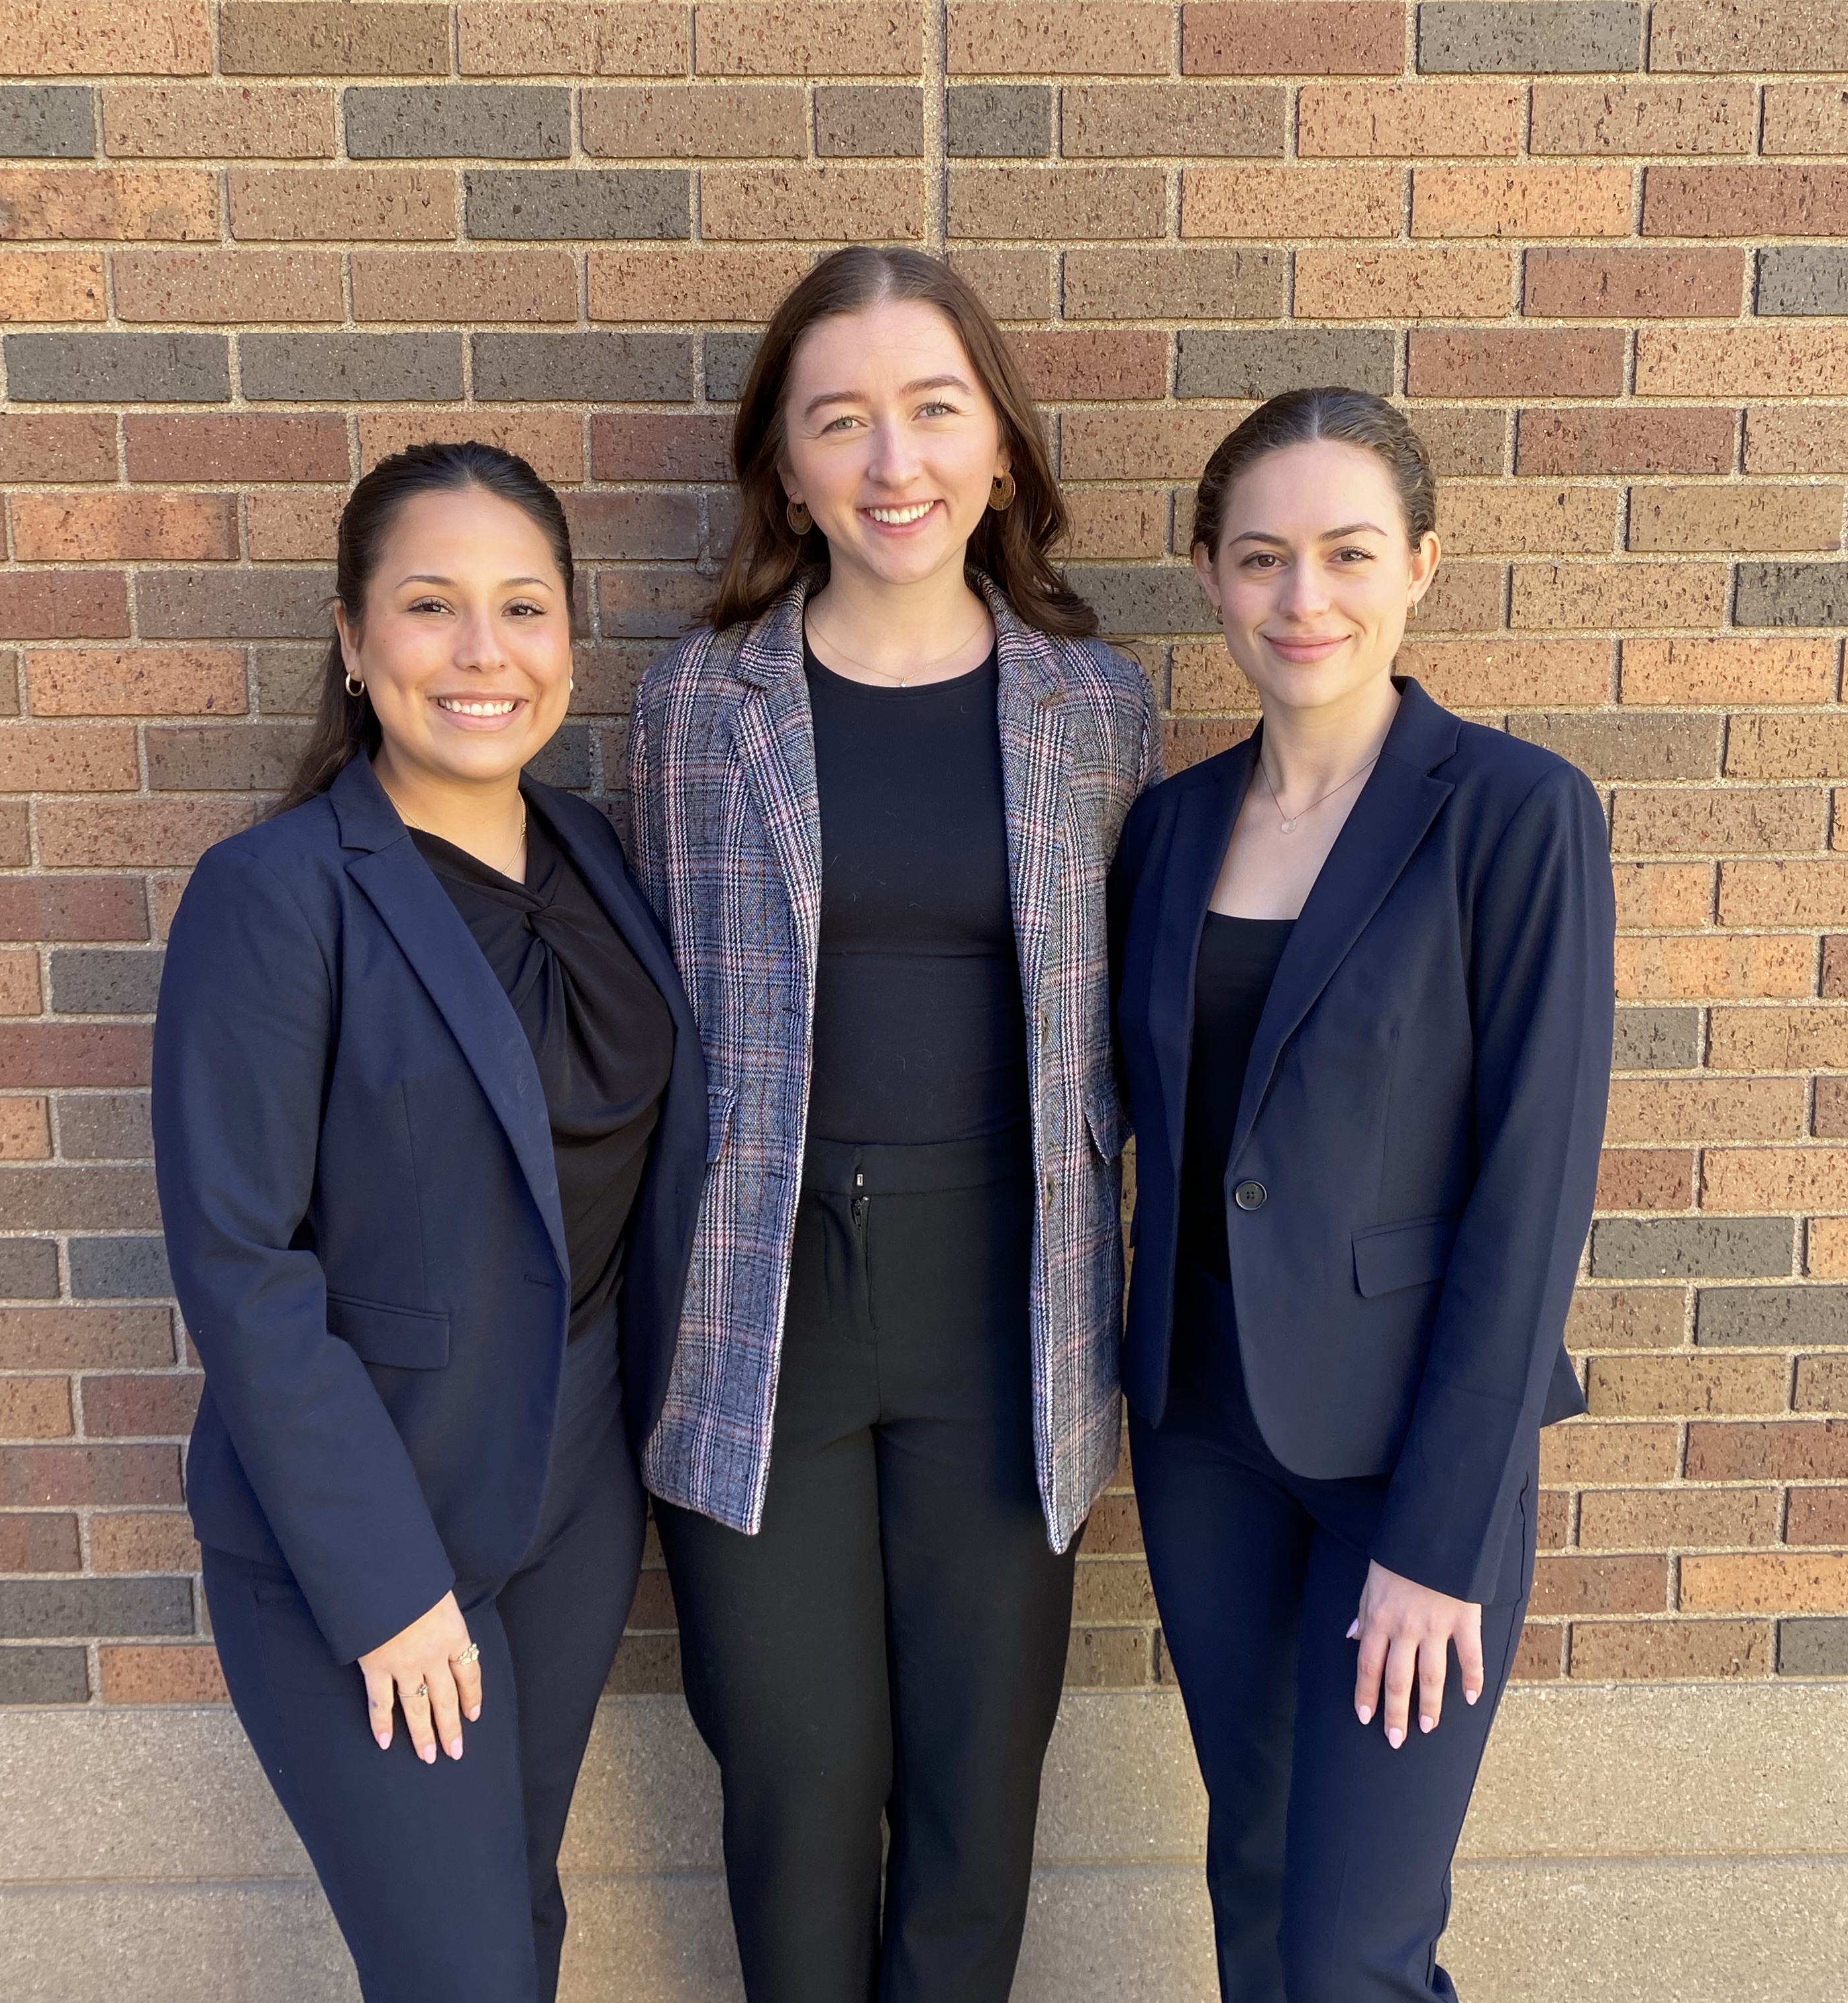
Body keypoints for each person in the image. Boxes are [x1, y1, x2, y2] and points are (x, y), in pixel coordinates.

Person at [624, 247, 1158, 2003]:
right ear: (785, 469)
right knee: (798, 1776)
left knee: (975, 1788)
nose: (893, 460)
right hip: (758, 1296)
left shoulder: (1096, 708)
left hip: (1006, 1293)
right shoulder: (696, 708)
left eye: (934, 410)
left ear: (1000, 448)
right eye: (839, 420)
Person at [151, 440, 707, 2003]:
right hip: (369, 1526)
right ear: (351, 638)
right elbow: (242, 1266)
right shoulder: (278, 893)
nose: (483, 652)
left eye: (523, 607)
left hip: (573, 1499)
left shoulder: (601, 855)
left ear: (571, 640)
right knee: (460, 1973)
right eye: (429, 605)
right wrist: (385, 1584)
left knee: (513, 1928)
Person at [1108, 389, 1614, 2003]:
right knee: (1257, 1886)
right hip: (1205, 1437)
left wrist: (1440, 1537)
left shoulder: (1515, 814)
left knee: (1355, 1950)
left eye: (1347, 553)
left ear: (1421, 569)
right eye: (1261, 557)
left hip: (1408, 1456)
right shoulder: (1170, 829)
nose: (1302, 597)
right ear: (1209, 574)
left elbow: (1534, 1196)